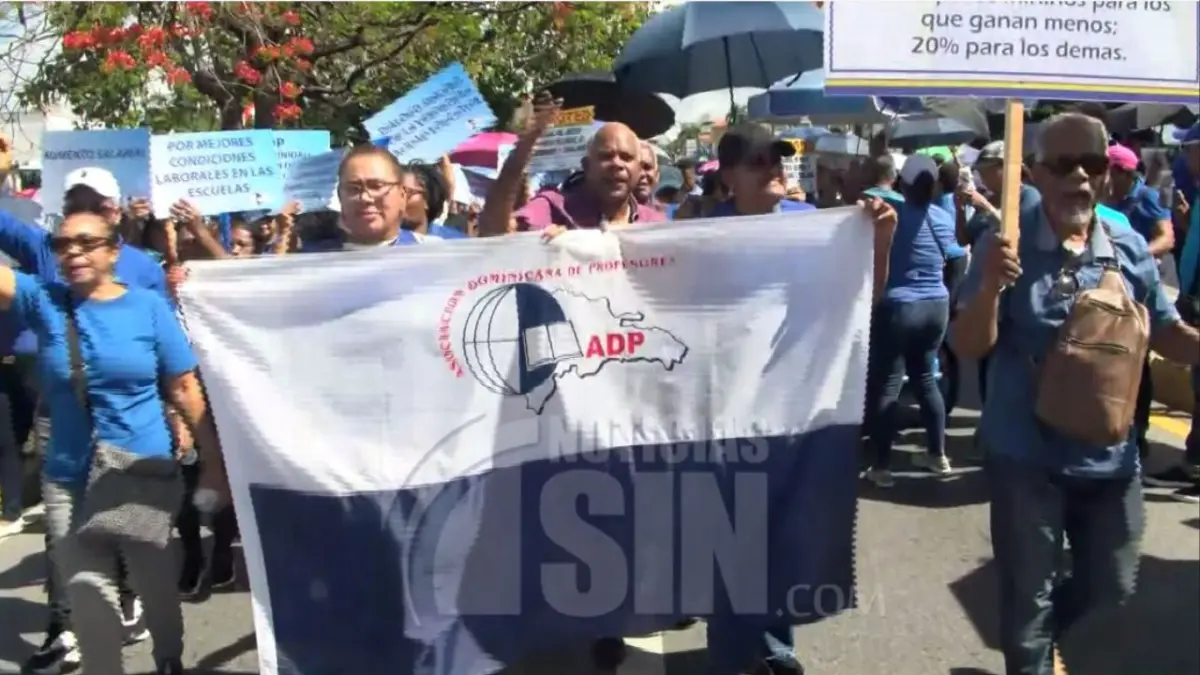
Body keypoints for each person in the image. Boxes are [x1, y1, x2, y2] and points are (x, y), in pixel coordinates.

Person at [545, 121, 897, 675]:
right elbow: (644, 299)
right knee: (734, 540)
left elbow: (863, 301)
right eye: (759, 161)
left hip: (796, 409)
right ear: (729, 176)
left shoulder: (815, 226)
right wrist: (574, 253)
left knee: (780, 532)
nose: (775, 169)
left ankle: (774, 652)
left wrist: (880, 240)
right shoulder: (701, 236)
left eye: (779, 159)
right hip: (726, 415)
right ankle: (737, 659)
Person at [952, 112, 1200, 675]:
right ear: (1036, 173)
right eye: (1064, 166)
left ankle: (1038, 641)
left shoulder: (1130, 246)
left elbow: (1166, 333)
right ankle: (1032, 655)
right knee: (1027, 598)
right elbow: (969, 345)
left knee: (1111, 582)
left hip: (1110, 458)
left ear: (1108, 175)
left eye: (1092, 165)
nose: (1080, 179)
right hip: (1027, 457)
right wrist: (990, 285)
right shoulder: (1004, 243)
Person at [0, 203, 225, 675]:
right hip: (68, 476)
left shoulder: (147, 307)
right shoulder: (45, 300)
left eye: (87, 242)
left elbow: (183, 386)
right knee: (85, 589)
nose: (73, 252)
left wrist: (213, 462)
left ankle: (168, 657)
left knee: (154, 583)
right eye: (62, 244)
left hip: (140, 470)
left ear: (115, 251)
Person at [864, 154, 957, 488]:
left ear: (903, 182)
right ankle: (938, 455)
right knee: (926, 380)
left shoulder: (894, 211)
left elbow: (871, 196)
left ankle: (882, 466)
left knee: (888, 384)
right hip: (937, 306)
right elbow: (955, 256)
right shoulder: (944, 217)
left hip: (899, 307)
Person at [634, 141, 660, 207]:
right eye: (636, 168)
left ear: (657, 175)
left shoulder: (667, 215)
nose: (641, 174)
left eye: (647, 167)